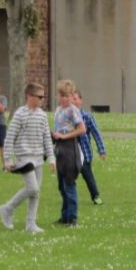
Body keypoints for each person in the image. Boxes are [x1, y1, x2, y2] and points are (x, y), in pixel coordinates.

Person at [0, 83, 56, 233]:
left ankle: (31, 224)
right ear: (29, 96)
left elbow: (47, 138)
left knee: (36, 193)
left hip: (39, 158)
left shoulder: (43, 115)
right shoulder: (19, 114)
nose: (42, 99)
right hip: (24, 158)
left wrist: (51, 158)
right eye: (40, 97)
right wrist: (8, 160)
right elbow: (9, 137)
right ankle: (7, 208)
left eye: (43, 97)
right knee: (32, 188)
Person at [53, 80, 86, 227]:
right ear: (57, 95)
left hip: (69, 148)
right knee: (61, 186)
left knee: (69, 184)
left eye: (67, 96)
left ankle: (72, 218)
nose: (64, 99)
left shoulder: (73, 110)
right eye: (62, 95)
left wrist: (64, 136)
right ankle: (64, 216)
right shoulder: (58, 109)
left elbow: (82, 129)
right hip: (59, 148)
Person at [72, 90, 106, 205]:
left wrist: (101, 150)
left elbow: (96, 134)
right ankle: (69, 197)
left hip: (85, 153)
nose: (73, 101)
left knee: (87, 174)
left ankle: (95, 196)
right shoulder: (66, 117)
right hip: (71, 152)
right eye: (71, 99)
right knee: (68, 176)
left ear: (80, 101)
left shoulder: (87, 117)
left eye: (75, 99)